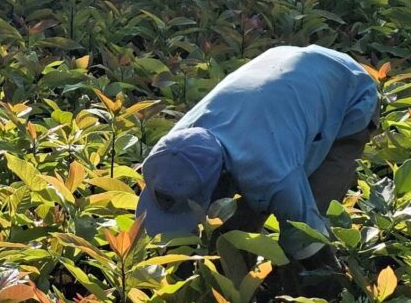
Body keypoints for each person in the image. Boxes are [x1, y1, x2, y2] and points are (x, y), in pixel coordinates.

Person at [136, 45, 379, 269]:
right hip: (282, 66)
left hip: (348, 90)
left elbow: (308, 241)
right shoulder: (172, 146)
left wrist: (329, 293)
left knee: (309, 215)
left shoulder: (272, 174)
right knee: (234, 226)